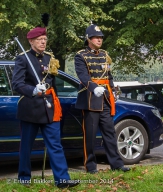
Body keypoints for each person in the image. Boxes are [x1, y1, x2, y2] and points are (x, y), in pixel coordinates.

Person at [12, 20, 79, 188]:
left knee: (55, 145)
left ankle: (62, 180)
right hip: (30, 107)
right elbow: (17, 84)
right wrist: (33, 90)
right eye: (39, 39)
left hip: (49, 108)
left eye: (45, 39)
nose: (43, 42)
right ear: (31, 41)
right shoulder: (23, 59)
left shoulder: (50, 58)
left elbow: (53, 84)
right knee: (26, 146)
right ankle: (24, 178)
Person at [74, 23, 130, 174]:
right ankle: (91, 166)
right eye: (96, 37)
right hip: (90, 99)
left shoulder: (105, 55)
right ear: (88, 39)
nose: (99, 40)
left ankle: (117, 164)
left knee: (110, 133)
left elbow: (109, 76)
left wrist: (112, 90)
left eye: (101, 38)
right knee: (90, 136)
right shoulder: (81, 55)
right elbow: (83, 76)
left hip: (105, 98)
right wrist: (94, 87)